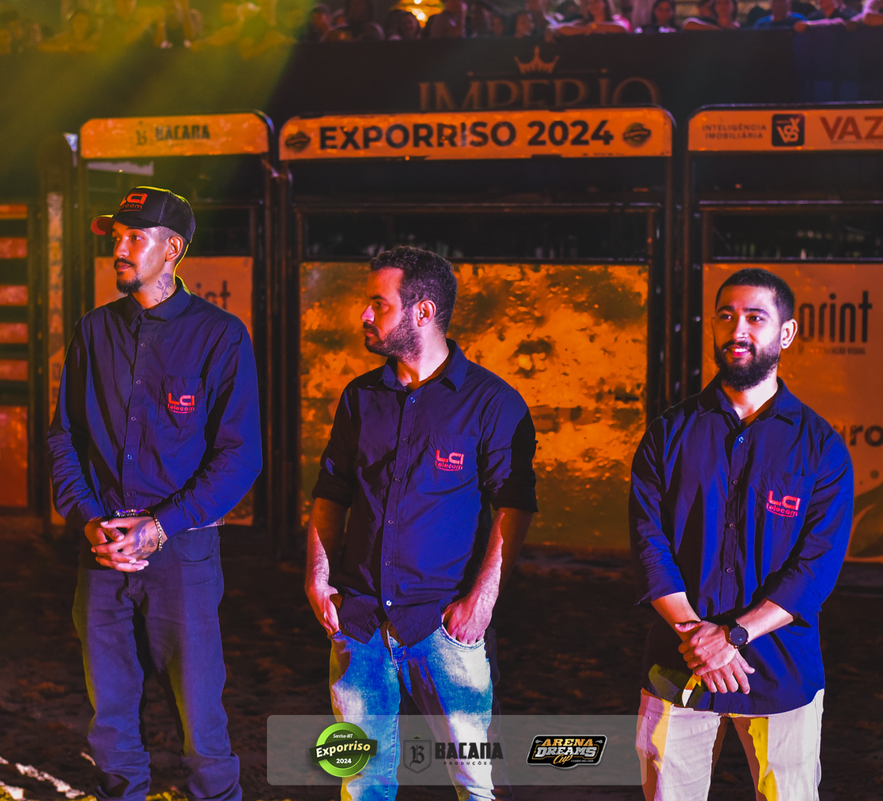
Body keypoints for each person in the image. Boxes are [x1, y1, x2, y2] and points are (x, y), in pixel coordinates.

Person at [47, 187, 261, 801]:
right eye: (116, 237)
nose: (119, 248)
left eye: (134, 238)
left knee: (201, 721)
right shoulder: (94, 331)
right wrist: (90, 521)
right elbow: (65, 437)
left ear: (173, 250)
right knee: (110, 718)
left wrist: (161, 526)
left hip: (183, 554)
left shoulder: (219, 336)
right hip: (103, 550)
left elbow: (241, 456)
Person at [306, 246, 537, 801]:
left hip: (445, 626)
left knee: (477, 782)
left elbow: (514, 506)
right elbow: (331, 492)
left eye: (378, 304)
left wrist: (481, 601)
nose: (365, 315)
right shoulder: (360, 398)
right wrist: (317, 576)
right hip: (360, 622)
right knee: (362, 782)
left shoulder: (492, 403)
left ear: (423, 311)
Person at [630, 268, 853, 801]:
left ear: (786, 333)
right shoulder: (668, 434)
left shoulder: (820, 447)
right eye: (726, 316)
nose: (738, 330)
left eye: (755, 317)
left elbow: (815, 568)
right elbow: (649, 545)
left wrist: (731, 637)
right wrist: (698, 637)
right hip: (679, 662)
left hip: (780, 669)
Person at [553, 0, 631, 34]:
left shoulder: (614, 21)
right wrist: (584, 30)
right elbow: (562, 29)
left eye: (596, 1)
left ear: (605, 3)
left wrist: (595, 26)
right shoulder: (584, 23)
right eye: (589, 3)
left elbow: (623, 28)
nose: (592, 5)